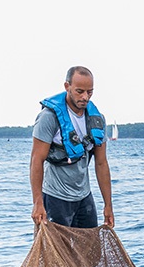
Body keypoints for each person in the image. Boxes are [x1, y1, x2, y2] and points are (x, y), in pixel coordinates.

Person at [29, 66, 114, 229]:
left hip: (84, 198)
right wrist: (37, 203)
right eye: (79, 91)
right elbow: (36, 160)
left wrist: (108, 205)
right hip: (55, 197)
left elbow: (101, 163)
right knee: (55, 245)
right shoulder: (48, 118)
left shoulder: (98, 120)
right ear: (67, 86)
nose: (85, 97)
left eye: (90, 92)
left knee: (88, 244)